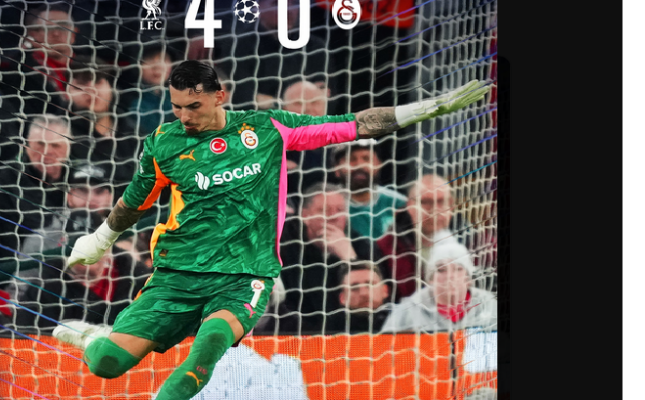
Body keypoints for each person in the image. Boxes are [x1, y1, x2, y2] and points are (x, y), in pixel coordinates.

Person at [52, 60, 489, 400]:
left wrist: (421, 110)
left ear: (220, 96)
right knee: (108, 364)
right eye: (177, 106)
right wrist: (100, 239)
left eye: (194, 107)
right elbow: (135, 201)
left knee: (206, 349)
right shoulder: (164, 143)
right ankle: (93, 337)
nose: (184, 116)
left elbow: (354, 124)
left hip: (245, 276)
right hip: (176, 275)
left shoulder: (268, 129)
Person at [279, 183, 382, 333]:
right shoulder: (284, 247)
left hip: (355, 332)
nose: (333, 217)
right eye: (325, 211)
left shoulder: (362, 246)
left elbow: (377, 301)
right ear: (305, 216)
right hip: (298, 334)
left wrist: (350, 259)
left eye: (339, 210)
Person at [7, 245, 153, 336]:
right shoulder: (44, 288)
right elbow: (23, 335)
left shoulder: (140, 282)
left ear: (108, 255)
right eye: (77, 248)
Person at [0, 115, 73, 260]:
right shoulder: (5, 179)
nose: (47, 151)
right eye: (40, 144)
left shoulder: (79, 178)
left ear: (68, 148)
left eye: (55, 145)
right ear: (27, 145)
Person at [380, 242, 497, 333]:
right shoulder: (408, 310)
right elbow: (383, 349)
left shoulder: (490, 306)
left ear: (469, 278)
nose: (450, 276)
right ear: (431, 279)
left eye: (458, 269)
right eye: (441, 270)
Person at [376, 174, 459, 301]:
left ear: (451, 205)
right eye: (425, 202)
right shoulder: (386, 248)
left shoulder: (470, 240)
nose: (434, 210)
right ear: (410, 206)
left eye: (441, 201)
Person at [66, 57, 139, 196]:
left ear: (110, 87)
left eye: (98, 81)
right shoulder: (62, 134)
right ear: (68, 91)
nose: (91, 90)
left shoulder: (134, 133)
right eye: (82, 84)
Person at [0, 3, 80, 115]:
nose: (56, 33)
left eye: (63, 26)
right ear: (33, 35)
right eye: (48, 28)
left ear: (74, 33)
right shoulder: (18, 74)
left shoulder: (94, 65)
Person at [20, 163, 114, 255]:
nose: (90, 198)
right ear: (69, 197)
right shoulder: (41, 240)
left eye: (99, 192)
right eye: (82, 191)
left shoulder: (121, 236)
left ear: (110, 198)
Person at [331, 138, 407, 241]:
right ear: (336, 169)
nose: (360, 165)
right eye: (351, 159)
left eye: (366, 159)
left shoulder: (398, 203)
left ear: (378, 164)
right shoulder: (325, 204)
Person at [324, 261, 392, 334]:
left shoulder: (398, 319)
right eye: (354, 288)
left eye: (370, 285)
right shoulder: (328, 330)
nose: (363, 293)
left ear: (385, 290)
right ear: (342, 298)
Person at [129, 43, 178, 136]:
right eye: (150, 58)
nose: (157, 66)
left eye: (164, 59)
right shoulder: (130, 101)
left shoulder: (179, 98)